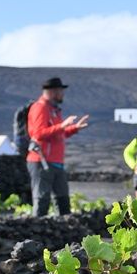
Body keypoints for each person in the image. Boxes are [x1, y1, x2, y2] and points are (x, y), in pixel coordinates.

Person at [27, 76, 90, 216]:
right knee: (42, 199)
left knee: (62, 200)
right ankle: (35, 233)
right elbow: (38, 134)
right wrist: (62, 125)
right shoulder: (40, 108)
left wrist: (74, 128)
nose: (63, 94)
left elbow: (58, 134)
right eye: (61, 91)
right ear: (53, 91)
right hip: (41, 161)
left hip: (56, 162)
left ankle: (63, 233)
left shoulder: (53, 110)